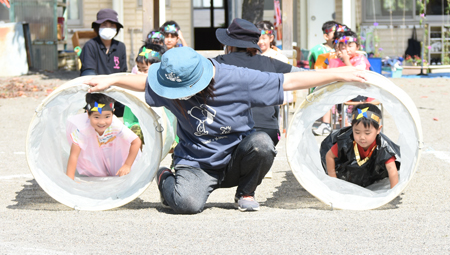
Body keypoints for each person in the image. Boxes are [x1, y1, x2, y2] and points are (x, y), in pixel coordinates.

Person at [84, 47, 366, 214]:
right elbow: (141, 82)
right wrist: (109, 79)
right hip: (196, 163)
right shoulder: (168, 84)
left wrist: (339, 74)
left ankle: (245, 194)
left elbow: (289, 81)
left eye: (186, 91)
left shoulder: (237, 78)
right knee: (186, 205)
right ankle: (166, 178)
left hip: (235, 157)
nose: (180, 96)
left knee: (263, 144)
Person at [214, 18, 305, 146]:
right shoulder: (270, 62)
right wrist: (338, 73)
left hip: (230, 129)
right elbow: (304, 74)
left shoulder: (217, 63)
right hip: (269, 131)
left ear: (230, 44)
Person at [320, 103, 400, 188]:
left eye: (367, 133)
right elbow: (329, 156)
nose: (362, 137)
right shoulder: (345, 140)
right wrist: (333, 182)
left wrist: (393, 192)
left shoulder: (383, 146)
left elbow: (392, 169)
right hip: (346, 174)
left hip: (370, 176)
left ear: (378, 130)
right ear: (352, 128)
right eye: (357, 132)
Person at [66, 93, 141, 180]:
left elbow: (136, 141)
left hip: (113, 147)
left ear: (113, 112)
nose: (102, 122)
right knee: (96, 170)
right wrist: (70, 180)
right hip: (93, 148)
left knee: (119, 169)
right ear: (88, 114)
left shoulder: (115, 125)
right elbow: (74, 155)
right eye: (97, 117)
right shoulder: (82, 130)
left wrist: (127, 165)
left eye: (107, 116)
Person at [310, 21, 339, 136]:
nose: (338, 35)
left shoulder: (343, 49)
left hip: (340, 81)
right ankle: (326, 124)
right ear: (326, 36)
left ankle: (342, 124)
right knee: (327, 91)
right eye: (334, 32)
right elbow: (312, 68)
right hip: (323, 81)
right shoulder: (317, 50)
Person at [79, 9, 127, 76]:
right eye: (104, 25)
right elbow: (88, 71)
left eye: (112, 25)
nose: (108, 28)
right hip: (95, 84)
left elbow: (123, 72)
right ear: (98, 27)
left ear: (117, 28)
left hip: (116, 85)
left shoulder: (120, 46)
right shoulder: (90, 46)